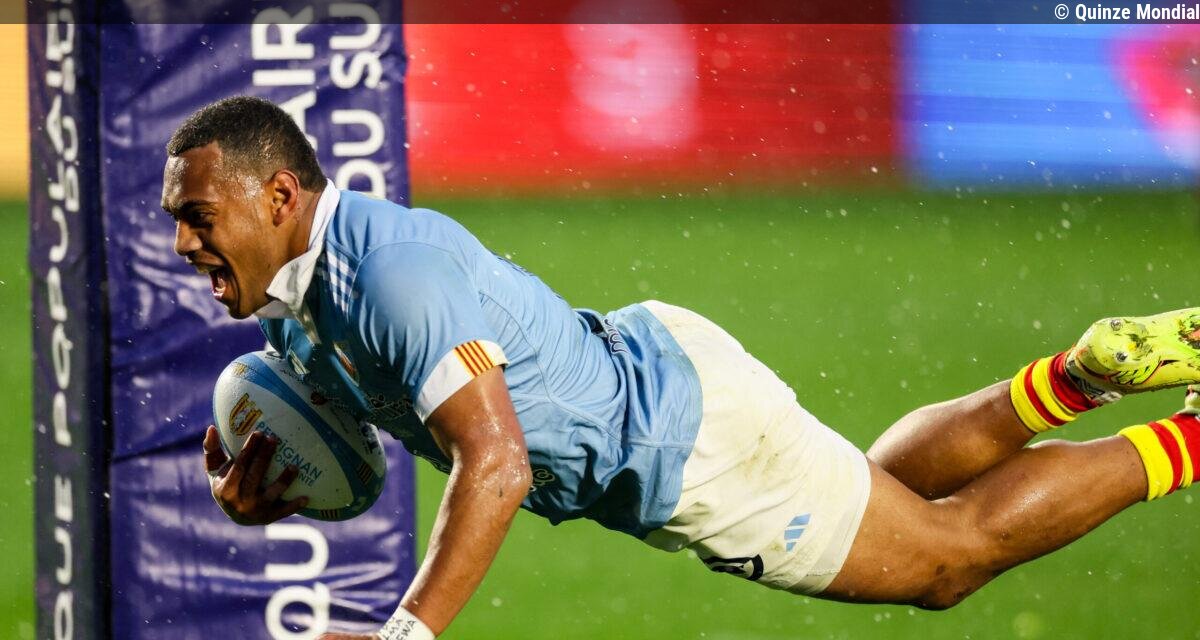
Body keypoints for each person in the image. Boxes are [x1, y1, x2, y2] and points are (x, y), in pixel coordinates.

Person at [162, 96, 1200, 640]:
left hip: (681, 447)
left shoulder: (391, 278)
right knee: (884, 492)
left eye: (199, 217)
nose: (182, 243)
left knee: (946, 562)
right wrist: (268, 494)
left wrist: (406, 636)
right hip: (665, 383)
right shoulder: (304, 308)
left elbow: (497, 464)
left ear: (281, 196)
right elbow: (356, 453)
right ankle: (1081, 376)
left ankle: (1188, 440)